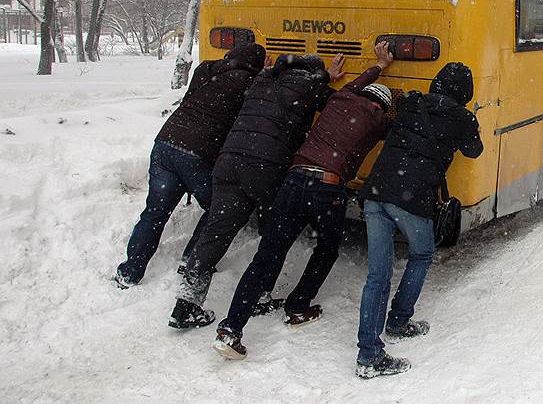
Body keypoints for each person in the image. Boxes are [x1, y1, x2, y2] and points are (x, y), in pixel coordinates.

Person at [211, 42, 395, 360]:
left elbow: (358, 85)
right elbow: (396, 122)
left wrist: (379, 66)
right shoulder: (378, 121)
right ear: (381, 106)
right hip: (328, 188)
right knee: (327, 249)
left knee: (266, 256)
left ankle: (231, 329)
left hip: (294, 179)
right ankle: (297, 306)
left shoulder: (340, 98)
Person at [168, 52, 344, 329]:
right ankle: (260, 294)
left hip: (229, 161)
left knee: (215, 232)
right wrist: (327, 78)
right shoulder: (309, 85)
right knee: (273, 235)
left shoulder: (262, 79)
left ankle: (186, 304)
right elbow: (335, 101)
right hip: (265, 168)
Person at [355, 62, 484, 379]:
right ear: (465, 92)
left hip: (375, 192)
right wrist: (470, 121)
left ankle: (369, 354)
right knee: (422, 253)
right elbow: (475, 151)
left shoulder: (411, 102)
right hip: (410, 199)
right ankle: (398, 321)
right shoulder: (462, 118)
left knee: (378, 275)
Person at [114, 43, 267, 289]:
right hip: (198, 153)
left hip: (166, 143)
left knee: (154, 213)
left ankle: (130, 271)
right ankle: (192, 259)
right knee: (217, 208)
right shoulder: (248, 84)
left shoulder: (205, 70)